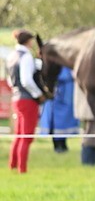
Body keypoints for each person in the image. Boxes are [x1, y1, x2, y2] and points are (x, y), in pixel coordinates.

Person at [7, 29, 45, 173]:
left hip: (16, 98)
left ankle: (13, 164)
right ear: (28, 41)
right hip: (27, 100)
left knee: (19, 134)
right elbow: (27, 80)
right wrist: (38, 94)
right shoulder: (26, 57)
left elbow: (12, 81)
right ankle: (22, 169)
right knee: (27, 136)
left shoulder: (12, 56)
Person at [38, 65, 79, 153]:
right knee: (54, 123)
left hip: (64, 98)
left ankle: (62, 144)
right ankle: (57, 145)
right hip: (55, 98)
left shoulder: (66, 66)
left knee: (63, 122)